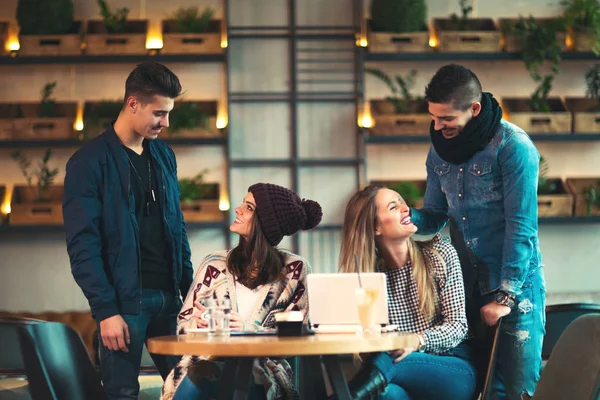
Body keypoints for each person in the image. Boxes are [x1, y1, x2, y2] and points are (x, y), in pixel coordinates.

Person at [410, 63, 546, 399]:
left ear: (474, 109)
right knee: (479, 388)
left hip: (516, 289)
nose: (438, 127)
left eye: (447, 119)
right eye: (434, 118)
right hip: (467, 287)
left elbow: (522, 227)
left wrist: (505, 297)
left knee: (516, 391)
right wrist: (400, 216)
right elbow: (435, 215)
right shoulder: (439, 151)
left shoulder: (513, 147)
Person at [63, 62, 194, 399]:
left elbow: (176, 228)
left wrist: (191, 294)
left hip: (170, 301)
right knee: (121, 393)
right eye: (159, 113)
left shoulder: (164, 155)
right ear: (132, 103)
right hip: (124, 303)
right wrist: (105, 311)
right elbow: (83, 245)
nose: (166, 123)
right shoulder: (89, 162)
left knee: (190, 390)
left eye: (169, 113)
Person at [161, 182, 323, 400]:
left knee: (227, 382)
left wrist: (247, 331)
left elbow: (300, 336)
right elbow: (183, 326)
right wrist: (197, 324)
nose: (238, 209)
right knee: (200, 375)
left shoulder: (295, 272)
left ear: (265, 222)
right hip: (206, 364)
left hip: (260, 374)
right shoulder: (214, 264)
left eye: (248, 207)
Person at [338, 184, 477, 400]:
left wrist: (417, 340)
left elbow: (458, 326)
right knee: (385, 394)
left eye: (403, 203)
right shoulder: (370, 281)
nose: (407, 209)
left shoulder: (440, 254)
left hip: (453, 370)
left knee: (388, 361)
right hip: (397, 374)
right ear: (375, 228)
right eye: (394, 207)